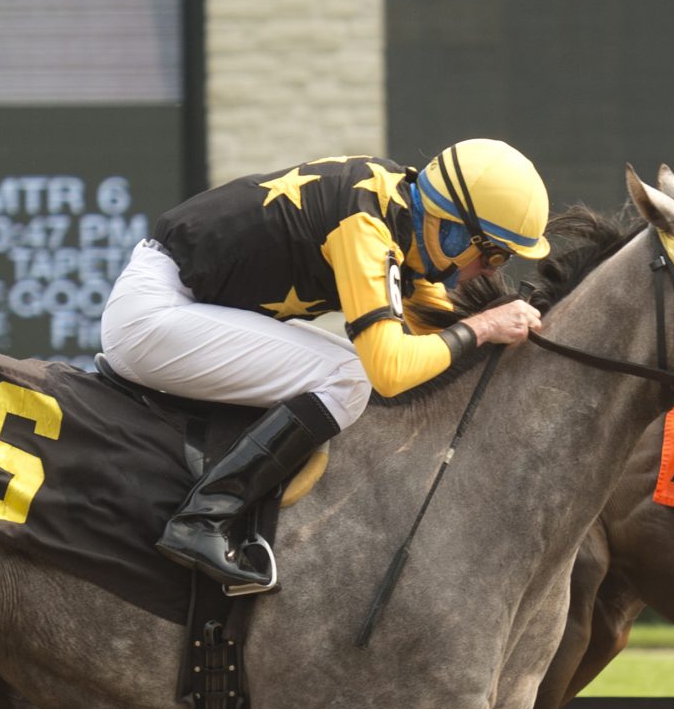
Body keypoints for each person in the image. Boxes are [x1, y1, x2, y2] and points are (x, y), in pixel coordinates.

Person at [98, 139, 550, 594]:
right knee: (348, 373)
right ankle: (203, 519)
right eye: (494, 255)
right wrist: (486, 325)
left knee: (345, 367)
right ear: (453, 232)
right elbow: (389, 372)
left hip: (174, 303)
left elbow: (432, 338)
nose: (493, 272)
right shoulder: (366, 227)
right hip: (154, 317)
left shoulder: (397, 212)